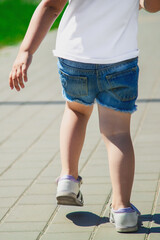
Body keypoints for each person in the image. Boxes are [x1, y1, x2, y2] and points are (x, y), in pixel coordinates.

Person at [9, 0, 160, 233]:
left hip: (75, 57)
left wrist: (25, 52)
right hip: (120, 59)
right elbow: (151, 5)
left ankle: (68, 177)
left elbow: (50, 7)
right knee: (117, 133)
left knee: (76, 111)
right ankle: (122, 211)